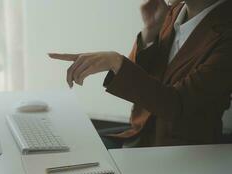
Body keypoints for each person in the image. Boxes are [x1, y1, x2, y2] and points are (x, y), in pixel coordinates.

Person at [49, 0, 232, 148]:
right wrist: (149, 34)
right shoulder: (174, 11)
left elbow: (177, 104)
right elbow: (143, 83)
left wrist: (115, 62)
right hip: (139, 135)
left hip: (184, 150)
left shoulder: (226, 32)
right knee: (68, 150)